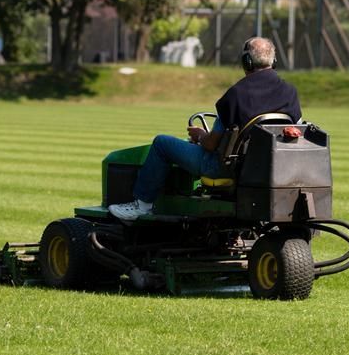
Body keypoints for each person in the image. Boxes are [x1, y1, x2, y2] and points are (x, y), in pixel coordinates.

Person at [108, 37, 302, 220]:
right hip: (271, 169)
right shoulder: (290, 92)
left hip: (225, 169)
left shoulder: (236, 95)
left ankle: (142, 205)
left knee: (161, 143)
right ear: (273, 60)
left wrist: (201, 136)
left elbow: (211, 145)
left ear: (247, 62)